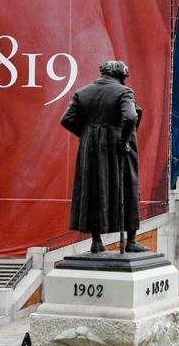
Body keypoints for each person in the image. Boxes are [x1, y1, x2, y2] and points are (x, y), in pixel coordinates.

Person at [61, 61, 146, 254]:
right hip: (118, 147)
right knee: (128, 188)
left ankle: (96, 241)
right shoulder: (124, 92)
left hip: (90, 150)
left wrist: (87, 135)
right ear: (121, 76)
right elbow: (131, 117)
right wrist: (123, 140)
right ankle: (131, 240)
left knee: (93, 190)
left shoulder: (82, 93)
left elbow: (67, 119)